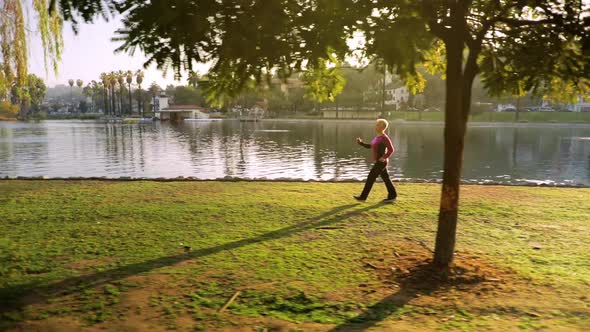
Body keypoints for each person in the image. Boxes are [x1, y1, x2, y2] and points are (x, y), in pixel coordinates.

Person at [355, 119, 397, 203]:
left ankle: (363, 197)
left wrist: (384, 157)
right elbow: (370, 146)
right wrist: (361, 143)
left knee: (371, 177)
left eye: (378, 125)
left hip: (381, 162)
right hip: (379, 162)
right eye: (376, 124)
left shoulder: (384, 138)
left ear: (383, 127)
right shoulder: (377, 137)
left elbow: (391, 149)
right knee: (386, 178)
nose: (376, 126)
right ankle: (392, 195)